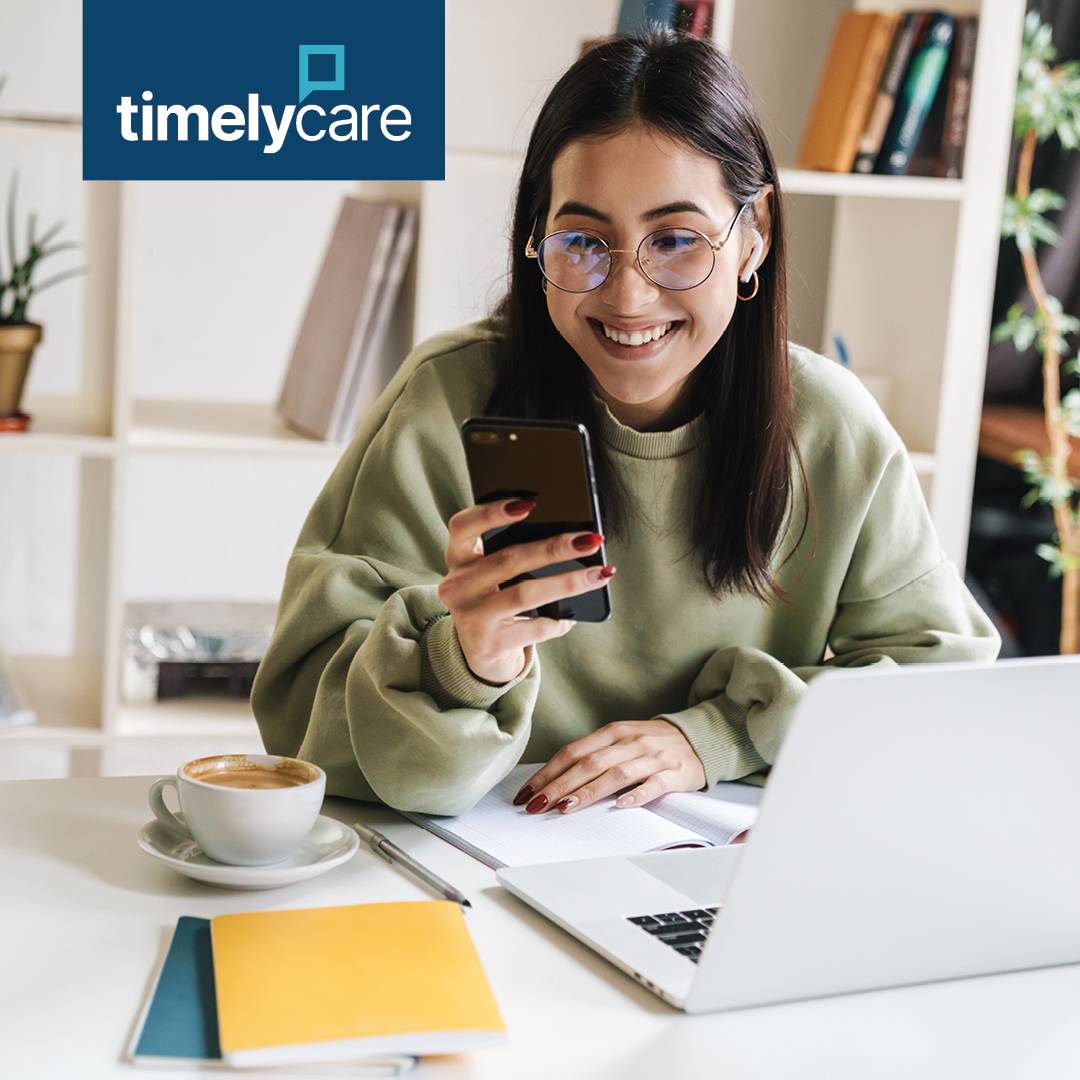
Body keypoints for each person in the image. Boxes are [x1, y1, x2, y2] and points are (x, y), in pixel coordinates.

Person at [250, 26, 1000, 818]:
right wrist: (467, 663)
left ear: (756, 236)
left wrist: (716, 739)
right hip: (478, 860)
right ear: (536, 240)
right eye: (584, 242)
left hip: (717, 873)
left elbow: (939, 689)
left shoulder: (831, 427)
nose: (628, 296)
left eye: (676, 241)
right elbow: (304, 734)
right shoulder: (446, 402)